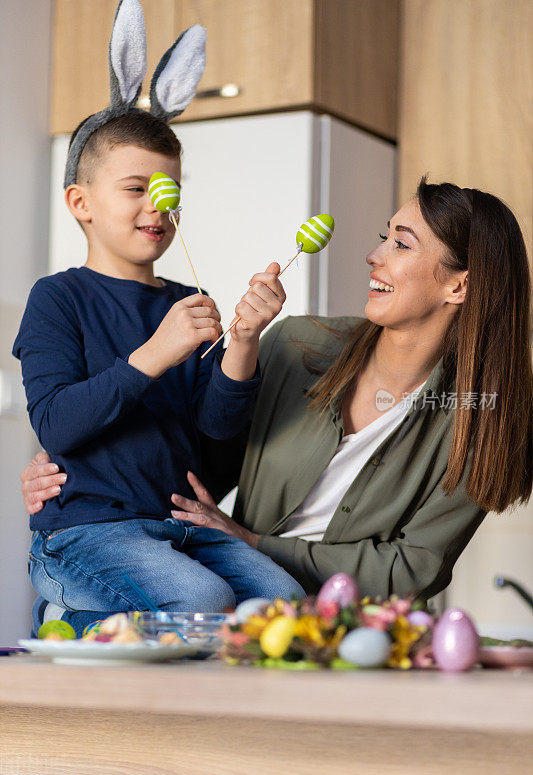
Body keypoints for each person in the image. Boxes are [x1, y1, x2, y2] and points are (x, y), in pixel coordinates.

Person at [22, 177, 533, 627]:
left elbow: (413, 569)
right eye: (385, 237)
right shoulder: (295, 346)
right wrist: (78, 470)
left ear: (459, 285)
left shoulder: (486, 418)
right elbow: (197, 452)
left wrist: (254, 542)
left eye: (400, 244)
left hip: (351, 629)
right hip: (233, 604)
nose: (374, 255)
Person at [14, 108, 305, 638]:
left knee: (284, 605)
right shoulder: (57, 298)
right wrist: (156, 352)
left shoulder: (186, 301)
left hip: (180, 525)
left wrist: (243, 340)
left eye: (169, 191)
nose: (158, 206)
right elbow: (56, 424)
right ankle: (69, 619)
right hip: (88, 530)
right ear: (81, 203)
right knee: (202, 600)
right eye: (134, 188)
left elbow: (217, 425)